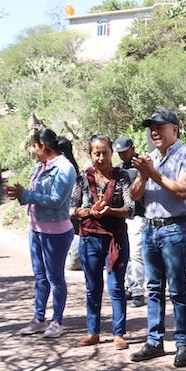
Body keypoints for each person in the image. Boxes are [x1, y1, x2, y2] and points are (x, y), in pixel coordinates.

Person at [128, 109, 186, 368]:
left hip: (174, 228)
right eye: (151, 127)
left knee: (177, 288)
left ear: (175, 130)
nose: (154, 132)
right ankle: (154, 341)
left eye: (160, 126)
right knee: (153, 288)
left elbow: (183, 191)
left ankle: (183, 344)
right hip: (150, 227)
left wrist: (153, 173)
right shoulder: (150, 159)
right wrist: (145, 174)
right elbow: (135, 195)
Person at [6, 128, 78, 339]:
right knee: (40, 277)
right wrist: (20, 195)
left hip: (55, 231)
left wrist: (27, 194)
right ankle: (39, 318)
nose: (33, 150)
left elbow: (56, 201)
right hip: (36, 230)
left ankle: (57, 321)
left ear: (43, 146)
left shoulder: (65, 169)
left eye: (34, 146)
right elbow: (34, 195)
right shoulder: (40, 166)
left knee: (55, 278)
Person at [71, 134, 134, 350]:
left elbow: (130, 208)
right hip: (89, 239)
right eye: (96, 153)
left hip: (115, 238)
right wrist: (90, 211)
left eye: (104, 152)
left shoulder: (123, 176)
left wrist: (111, 211)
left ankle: (119, 334)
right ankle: (93, 332)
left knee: (116, 286)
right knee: (92, 287)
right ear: (90, 154)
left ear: (111, 153)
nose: (101, 158)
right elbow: (72, 209)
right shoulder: (82, 178)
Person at [114, 135, 147, 308]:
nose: (122, 155)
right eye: (119, 153)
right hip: (122, 216)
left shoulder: (141, 166)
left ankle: (138, 291)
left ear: (132, 149)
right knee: (124, 253)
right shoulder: (119, 169)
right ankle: (129, 285)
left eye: (125, 151)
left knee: (136, 254)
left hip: (138, 216)